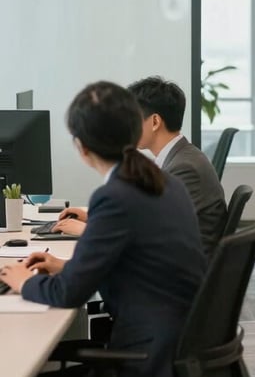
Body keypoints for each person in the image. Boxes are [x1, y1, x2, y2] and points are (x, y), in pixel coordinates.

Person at [0, 81, 206, 377]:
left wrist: (24, 280)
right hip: (174, 360)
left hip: (145, 371)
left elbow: (68, 295)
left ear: (81, 147)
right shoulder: (162, 181)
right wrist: (64, 265)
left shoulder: (116, 194)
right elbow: (134, 262)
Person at [57, 77, 228, 257]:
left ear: (155, 122)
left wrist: (88, 231)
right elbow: (148, 219)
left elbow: (156, 234)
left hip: (184, 273)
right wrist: (93, 218)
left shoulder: (184, 167)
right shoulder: (179, 157)